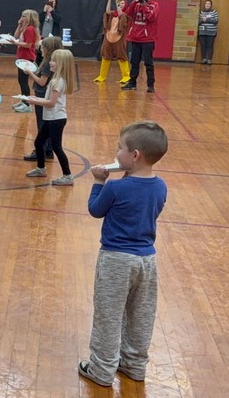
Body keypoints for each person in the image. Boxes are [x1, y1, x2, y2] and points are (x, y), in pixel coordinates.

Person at [77, 121, 168, 388]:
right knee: (141, 314)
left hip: (116, 260)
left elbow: (96, 209)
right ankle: (134, 364)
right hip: (147, 261)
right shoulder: (160, 186)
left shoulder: (116, 187)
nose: (116, 153)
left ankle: (101, 369)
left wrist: (98, 181)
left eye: (120, 148)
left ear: (135, 155)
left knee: (108, 314)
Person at [24, 49, 77, 186]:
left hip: (56, 119)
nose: (50, 63)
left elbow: (51, 103)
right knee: (39, 142)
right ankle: (41, 169)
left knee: (56, 147)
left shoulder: (57, 82)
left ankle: (67, 176)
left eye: (53, 61)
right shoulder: (56, 79)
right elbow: (49, 99)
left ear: (61, 64)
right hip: (51, 117)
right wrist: (36, 97)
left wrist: (35, 101)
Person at [23, 35, 64, 161]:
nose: (41, 48)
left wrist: (30, 73)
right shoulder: (53, 61)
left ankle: (41, 150)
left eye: (43, 47)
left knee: (42, 123)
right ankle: (48, 150)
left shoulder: (48, 62)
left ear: (49, 48)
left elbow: (42, 82)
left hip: (42, 93)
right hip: (45, 93)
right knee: (46, 123)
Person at [121, 0, 159, 93]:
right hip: (135, 38)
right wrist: (135, 2)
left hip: (147, 39)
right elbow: (127, 13)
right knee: (134, 62)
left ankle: (150, 85)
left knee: (148, 63)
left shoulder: (154, 5)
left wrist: (144, 5)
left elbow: (151, 17)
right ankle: (132, 83)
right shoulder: (136, 4)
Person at [95, 0, 130, 82]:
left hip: (119, 38)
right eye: (120, 3)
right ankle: (102, 76)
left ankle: (126, 76)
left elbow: (120, 15)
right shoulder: (112, 14)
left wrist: (117, 0)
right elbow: (107, 11)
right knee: (105, 55)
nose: (121, 5)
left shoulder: (125, 15)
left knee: (121, 56)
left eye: (123, 3)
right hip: (109, 36)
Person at [10, 9, 41, 111]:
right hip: (22, 56)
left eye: (24, 16)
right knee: (21, 80)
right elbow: (15, 36)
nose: (21, 18)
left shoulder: (30, 29)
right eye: (21, 15)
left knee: (23, 81)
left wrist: (16, 43)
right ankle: (24, 100)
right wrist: (19, 25)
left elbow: (28, 45)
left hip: (27, 57)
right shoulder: (25, 28)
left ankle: (27, 104)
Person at [196, 0, 219, 65]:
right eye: (206, 3)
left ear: (211, 5)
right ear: (204, 5)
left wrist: (207, 19)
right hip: (202, 32)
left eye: (209, 4)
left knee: (210, 46)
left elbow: (216, 21)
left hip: (211, 32)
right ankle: (204, 59)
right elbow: (198, 22)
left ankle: (209, 60)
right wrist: (202, 20)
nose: (207, 5)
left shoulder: (214, 12)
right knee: (203, 46)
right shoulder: (201, 12)